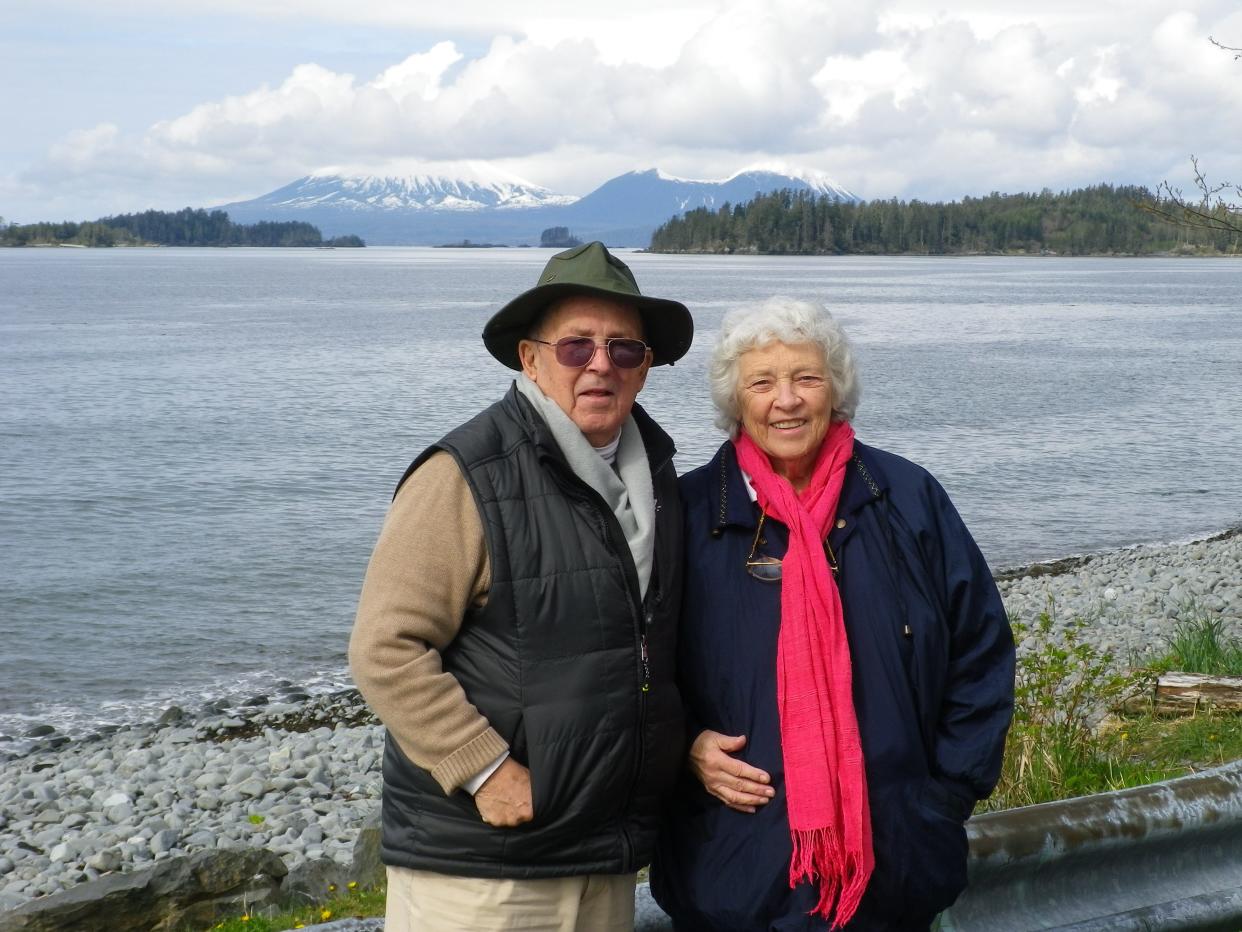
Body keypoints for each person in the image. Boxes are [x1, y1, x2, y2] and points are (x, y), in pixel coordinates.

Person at [349, 242, 694, 932]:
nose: (601, 364)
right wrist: (484, 769)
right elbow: (384, 647)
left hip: (603, 856)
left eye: (624, 350)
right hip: (485, 869)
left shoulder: (658, 480)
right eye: (576, 347)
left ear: (646, 368)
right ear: (530, 360)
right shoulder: (467, 474)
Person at [650, 297, 1014, 932]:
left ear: (835, 389)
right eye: (762, 382)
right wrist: (683, 747)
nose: (785, 400)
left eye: (806, 378)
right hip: (732, 871)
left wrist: (942, 798)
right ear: (736, 400)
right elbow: (638, 669)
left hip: (892, 868)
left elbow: (980, 652)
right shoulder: (687, 513)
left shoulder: (907, 499)